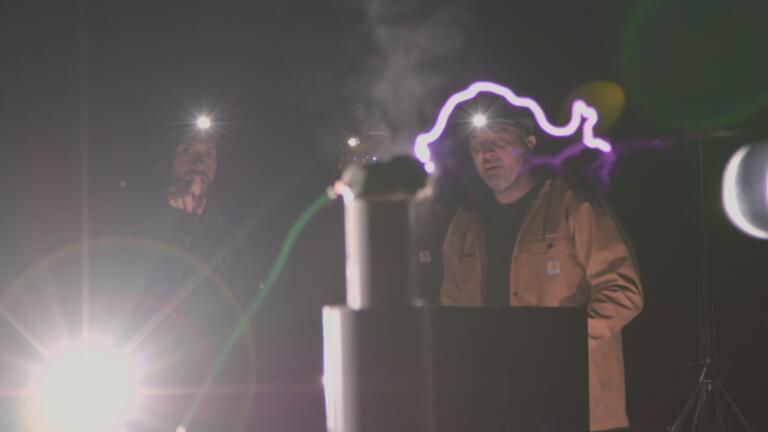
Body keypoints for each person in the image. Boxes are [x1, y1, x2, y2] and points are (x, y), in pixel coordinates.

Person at [440, 108, 643, 431]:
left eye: (499, 140)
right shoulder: (464, 224)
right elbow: (451, 311)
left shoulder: (575, 207)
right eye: (478, 145)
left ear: (529, 144)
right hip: (497, 408)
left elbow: (624, 294)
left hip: (573, 403)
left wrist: (559, 345)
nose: (487, 153)